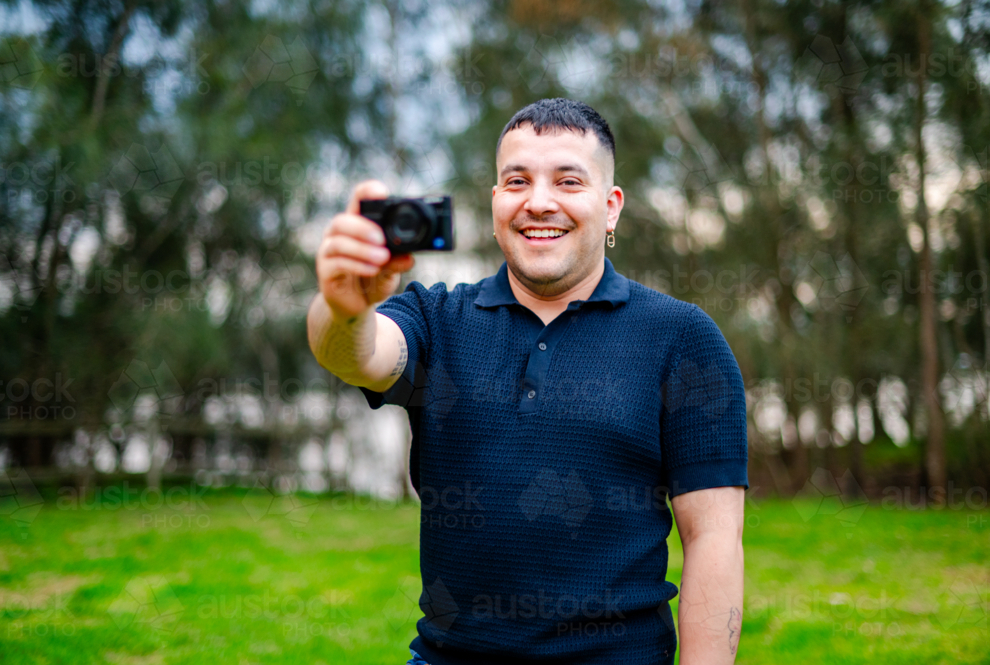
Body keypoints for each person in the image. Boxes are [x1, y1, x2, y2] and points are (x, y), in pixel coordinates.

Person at [308, 98, 747, 665]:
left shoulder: (683, 338)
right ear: (496, 203)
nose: (539, 203)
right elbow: (358, 355)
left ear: (611, 207)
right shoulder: (438, 319)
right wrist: (345, 305)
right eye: (517, 181)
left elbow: (713, 540)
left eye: (568, 181)